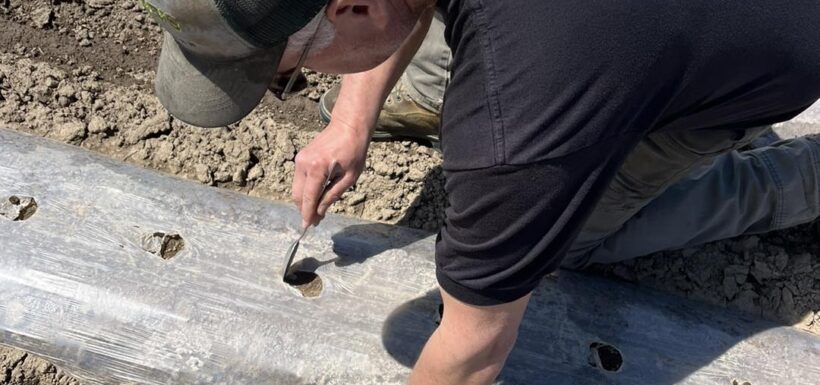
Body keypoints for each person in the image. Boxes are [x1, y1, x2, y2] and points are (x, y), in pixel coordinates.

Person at [144, 0, 820, 383]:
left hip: (774, 43)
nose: (299, 80)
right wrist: (352, 119)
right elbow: (393, 13)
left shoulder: (515, 125)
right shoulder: (504, 81)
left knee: (566, 243)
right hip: (597, 33)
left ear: (351, 5)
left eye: (289, 70)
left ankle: (803, 175)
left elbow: (472, 351)